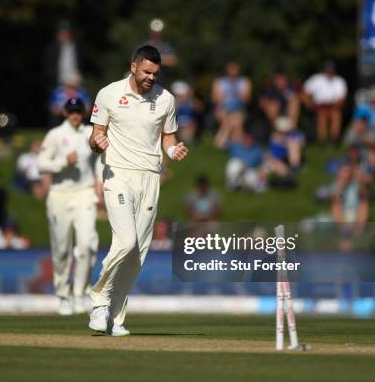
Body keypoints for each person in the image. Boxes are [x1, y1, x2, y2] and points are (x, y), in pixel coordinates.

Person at [87, 45, 188, 336]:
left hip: (149, 178)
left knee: (138, 253)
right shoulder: (108, 93)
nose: (150, 78)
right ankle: (99, 301)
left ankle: (114, 319)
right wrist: (98, 143)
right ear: (133, 67)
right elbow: (95, 136)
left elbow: (168, 138)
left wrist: (173, 150)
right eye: (146, 71)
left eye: (155, 73)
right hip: (118, 174)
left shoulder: (166, 99)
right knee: (126, 240)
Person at [38, 98, 100, 315]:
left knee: (87, 244)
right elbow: (41, 164)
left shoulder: (89, 133)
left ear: (83, 113)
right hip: (59, 196)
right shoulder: (55, 135)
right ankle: (63, 295)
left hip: (84, 193)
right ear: (65, 112)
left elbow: (101, 159)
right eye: (71, 111)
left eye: (78, 111)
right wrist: (63, 161)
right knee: (62, 249)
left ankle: (80, 293)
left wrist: (100, 183)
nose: (75, 115)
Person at [302, 60, 347, 143]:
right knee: (322, 114)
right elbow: (304, 93)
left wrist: (335, 106)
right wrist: (309, 104)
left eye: (331, 69)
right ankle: (322, 140)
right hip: (318, 106)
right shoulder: (316, 79)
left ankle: (334, 139)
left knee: (336, 114)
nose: (329, 72)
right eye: (328, 69)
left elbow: (341, 99)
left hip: (332, 106)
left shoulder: (339, 81)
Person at [211, 62, 251, 149]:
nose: (233, 72)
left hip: (239, 109)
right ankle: (236, 146)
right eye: (231, 69)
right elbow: (216, 98)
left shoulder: (244, 82)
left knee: (235, 121)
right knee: (231, 121)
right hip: (223, 109)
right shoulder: (220, 82)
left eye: (235, 69)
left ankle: (220, 143)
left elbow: (246, 98)